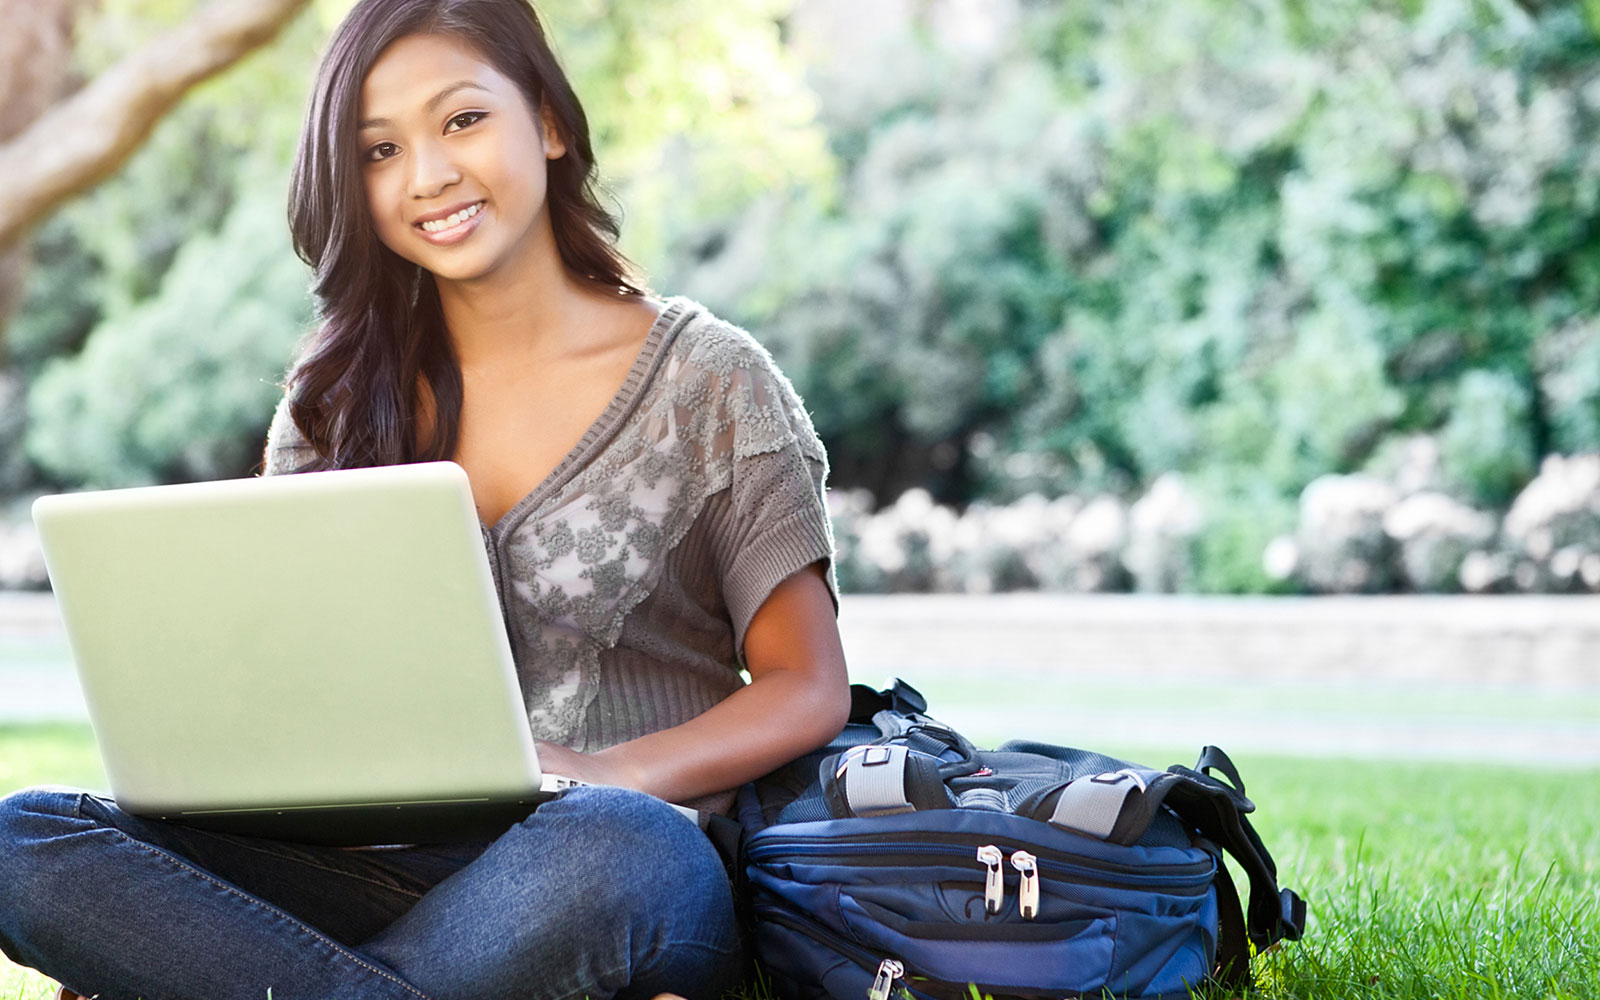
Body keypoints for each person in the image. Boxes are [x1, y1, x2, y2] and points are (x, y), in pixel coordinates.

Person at [0, 0, 852, 997]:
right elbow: (290, 682)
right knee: (25, 839)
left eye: (463, 120)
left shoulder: (713, 381)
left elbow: (807, 685)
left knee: (618, 840)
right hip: (371, 874)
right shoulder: (330, 406)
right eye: (379, 150)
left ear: (549, 121)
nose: (428, 174)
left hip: (612, 867)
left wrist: (610, 770)